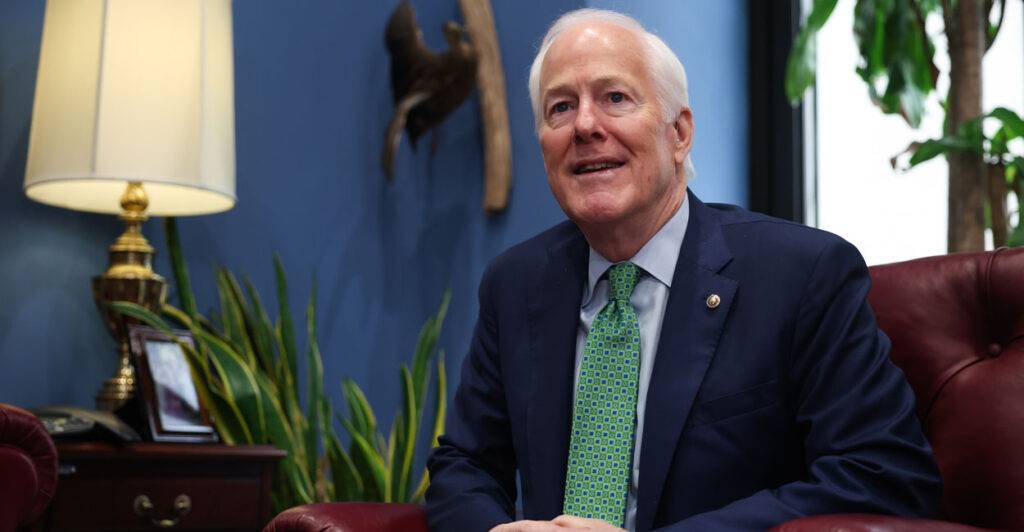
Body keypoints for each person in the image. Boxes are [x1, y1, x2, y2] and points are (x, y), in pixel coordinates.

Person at [425, 8, 942, 532]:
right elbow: (464, 466)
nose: (585, 125)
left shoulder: (803, 274)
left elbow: (882, 475)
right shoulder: (514, 284)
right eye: (560, 107)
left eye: (615, 98)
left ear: (679, 133)